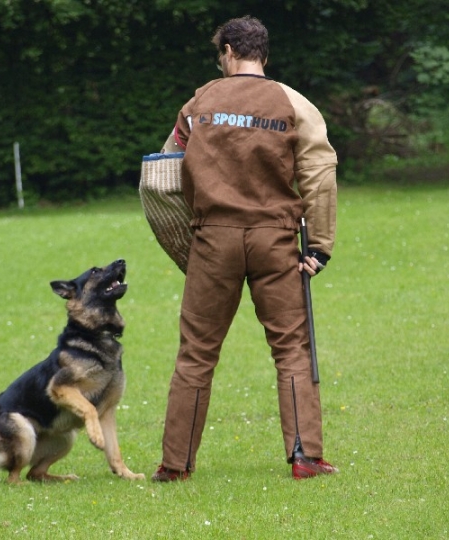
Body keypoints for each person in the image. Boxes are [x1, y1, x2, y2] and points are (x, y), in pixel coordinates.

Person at [151, 15, 338, 481]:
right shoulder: (293, 102)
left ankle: (176, 466)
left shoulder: (199, 103)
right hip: (275, 239)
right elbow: (319, 173)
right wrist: (319, 245)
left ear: (229, 52)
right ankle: (305, 457)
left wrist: (185, 239)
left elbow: (162, 174)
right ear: (263, 55)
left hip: (213, 239)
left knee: (196, 354)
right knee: (291, 348)